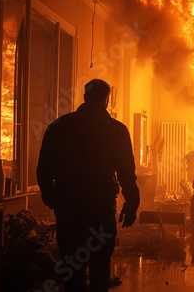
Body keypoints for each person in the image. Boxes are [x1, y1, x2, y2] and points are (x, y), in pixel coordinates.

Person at [37, 79, 140, 292]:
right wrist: (131, 203)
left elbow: (44, 168)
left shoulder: (58, 126)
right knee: (100, 265)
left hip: (68, 208)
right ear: (106, 100)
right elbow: (126, 173)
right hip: (101, 208)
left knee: (72, 267)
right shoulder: (117, 130)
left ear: (84, 97)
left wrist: (51, 198)